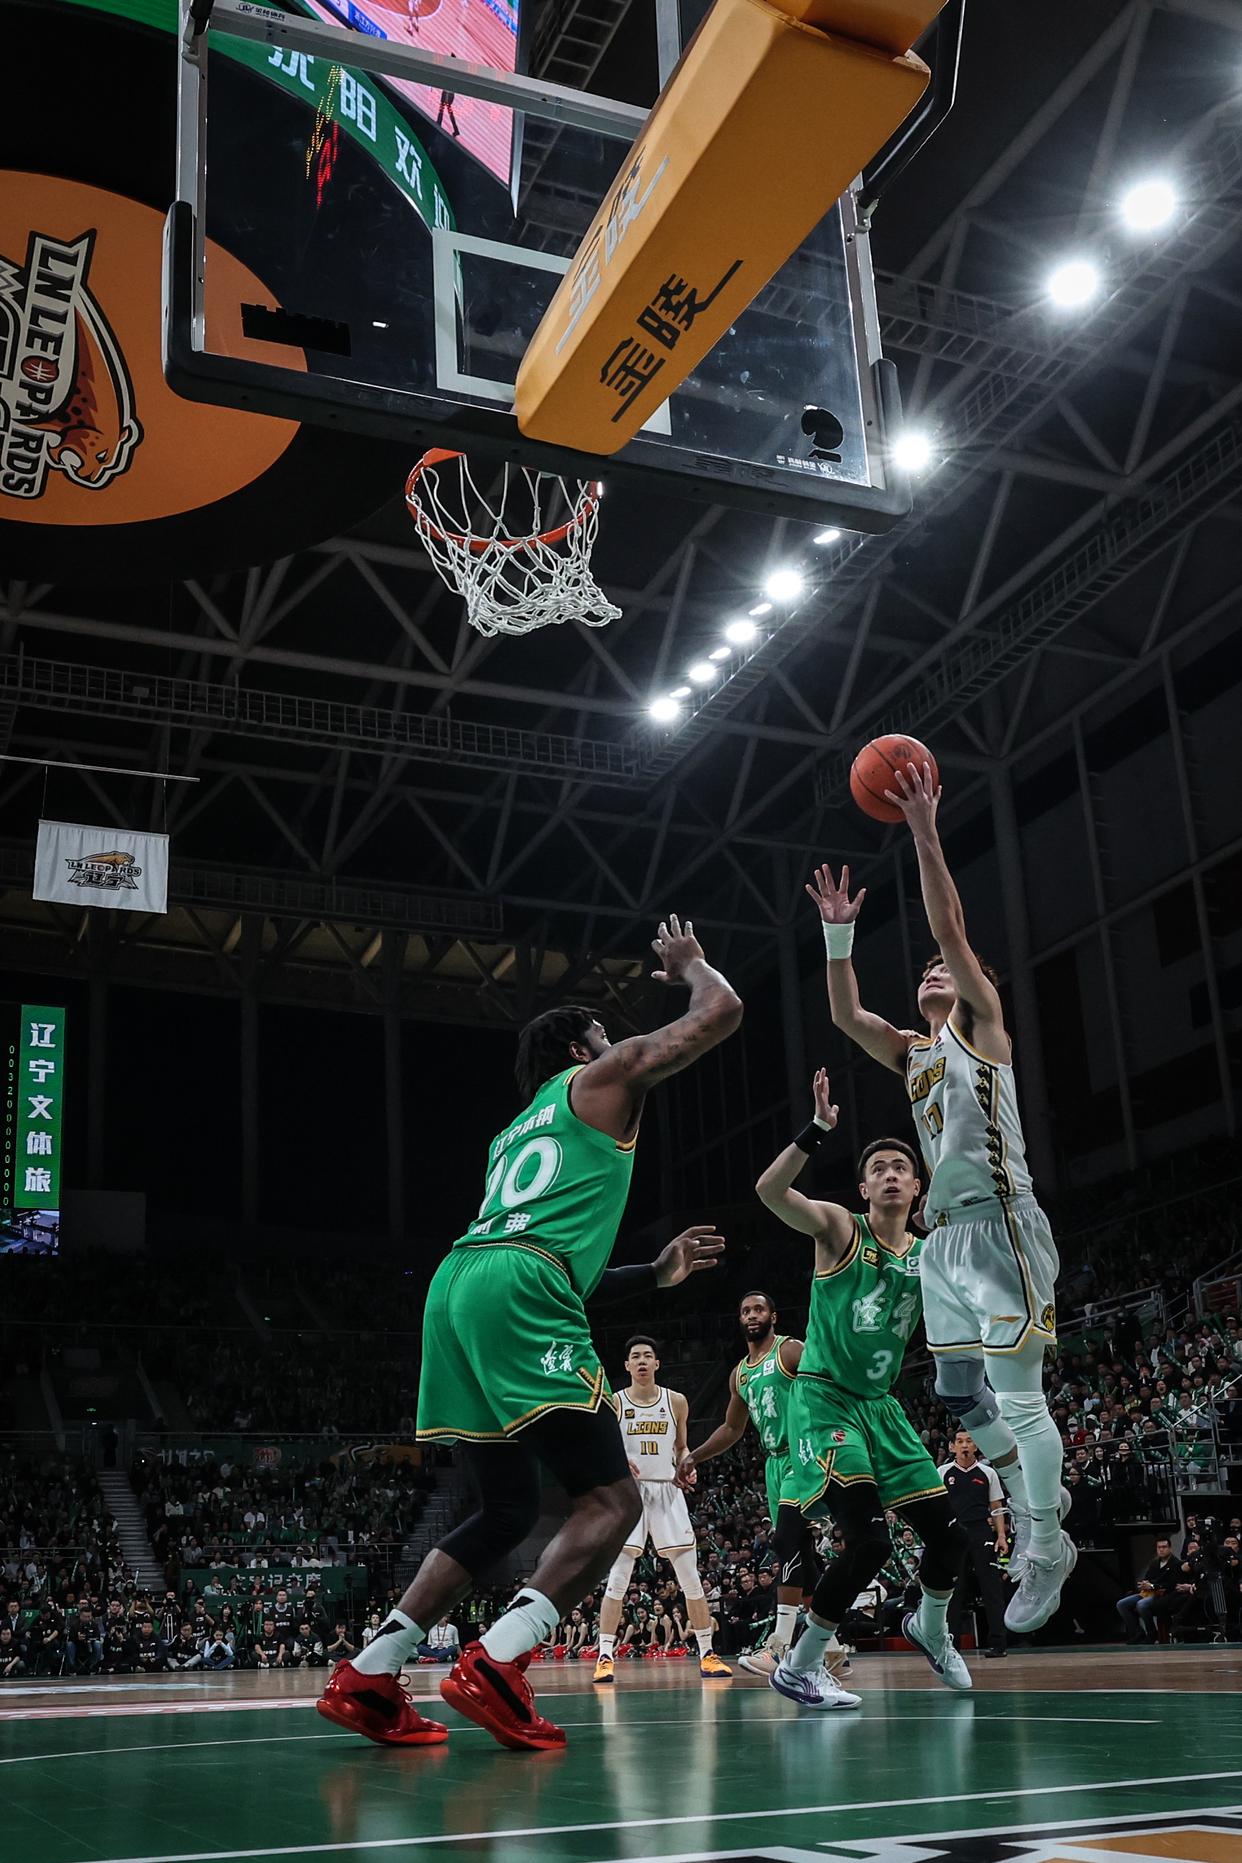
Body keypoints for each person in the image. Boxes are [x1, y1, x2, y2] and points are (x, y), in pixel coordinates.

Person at [316, 916, 742, 1753]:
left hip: (457, 1285)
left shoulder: (512, 1135)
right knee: (614, 1499)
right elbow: (720, 1012)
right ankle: (500, 1659)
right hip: (519, 1282)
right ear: (582, 1050)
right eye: (605, 1035)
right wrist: (694, 965)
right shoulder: (598, 1079)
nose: (616, 1044)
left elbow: (551, 1263)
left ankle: (370, 1671)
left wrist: (655, 1274)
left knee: (506, 1507)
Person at [809, 765, 1074, 1638]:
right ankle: (1033, 1482)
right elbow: (846, 1014)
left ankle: (1046, 1542)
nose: (931, 971)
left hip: (1001, 1226)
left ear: (966, 985)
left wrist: (923, 828)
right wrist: (838, 933)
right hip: (944, 1243)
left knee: (1020, 1397)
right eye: (922, 969)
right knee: (959, 1388)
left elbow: (950, 927)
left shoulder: (982, 1029)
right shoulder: (915, 1054)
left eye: (942, 970)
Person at [753, 1074, 972, 1710]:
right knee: (871, 1542)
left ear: (918, 1187)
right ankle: (800, 1666)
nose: (891, 1175)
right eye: (878, 1169)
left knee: (950, 1539)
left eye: (901, 1168)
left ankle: (930, 1627)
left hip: (882, 1408)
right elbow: (769, 1191)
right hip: (826, 1400)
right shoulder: (839, 1230)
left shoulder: (931, 1255)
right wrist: (817, 1129)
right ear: (864, 1189)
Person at [687, 1291, 820, 1678]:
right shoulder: (740, 1374)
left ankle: (779, 1646)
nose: (751, 1315)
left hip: (803, 1454)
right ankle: (830, 1647)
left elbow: (826, 1385)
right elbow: (732, 1429)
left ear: (773, 1316)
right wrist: (694, 1456)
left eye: (759, 1309)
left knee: (786, 1542)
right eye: (745, 1310)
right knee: (804, 1555)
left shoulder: (791, 1351)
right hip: (774, 1463)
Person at [593, 1337, 730, 1684]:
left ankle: (707, 1653)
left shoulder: (676, 1401)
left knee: (691, 1579)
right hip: (630, 1494)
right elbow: (603, 1448)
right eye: (635, 1357)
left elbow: (681, 1447)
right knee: (618, 1580)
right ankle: (605, 1656)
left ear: (657, 1363)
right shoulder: (615, 1401)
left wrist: (688, 1464)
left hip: (667, 1489)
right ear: (627, 1366)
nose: (641, 1361)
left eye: (647, 1356)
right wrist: (618, 1462)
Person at [939, 1429, 1010, 1659]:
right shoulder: (942, 1472)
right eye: (960, 1441)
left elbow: (996, 1507)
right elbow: (937, 1506)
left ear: (976, 1446)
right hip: (954, 1535)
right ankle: (952, 1646)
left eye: (969, 1441)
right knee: (955, 1592)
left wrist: (1001, 1536)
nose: (964, 1445)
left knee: (991, 1589)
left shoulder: (988, 1473)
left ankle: (998, 1644)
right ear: (952, 1447)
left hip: (982, 1533)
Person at [1117, 1537, 1190, 1644]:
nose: (1161, 1550)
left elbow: (1171, 1585)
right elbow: (1148, 1577)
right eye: (1159, 1547)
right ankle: (1138, 1633)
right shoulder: (1154, 1563)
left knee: (1141, 1605)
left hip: (1161, 1594)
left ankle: (1151, 1633)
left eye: (1164, 1547)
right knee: (1122, 1604)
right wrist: (1144, 1584)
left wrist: (1152, 1586)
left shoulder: (1176, 1564)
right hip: (1147, 1593)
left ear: (1170, 1548)